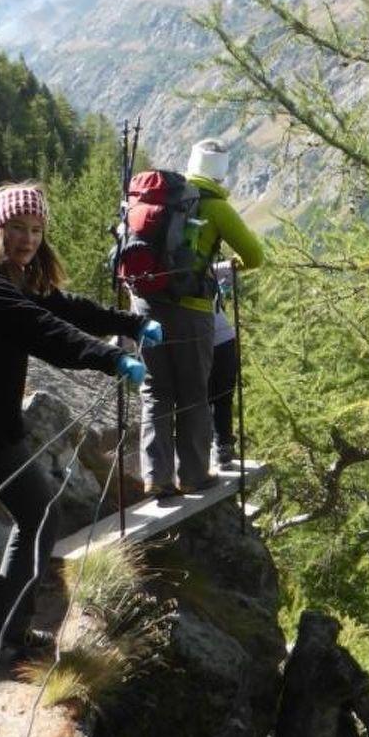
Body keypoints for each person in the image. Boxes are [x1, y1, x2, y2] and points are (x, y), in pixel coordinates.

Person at [0, 180, 160, 667]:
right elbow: (45, 332)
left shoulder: (14, 278)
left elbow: (62, 307)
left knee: (40, 512)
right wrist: (111, 359)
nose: (27, 239)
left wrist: (129, 324)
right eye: (17, 228)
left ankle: (6, 626)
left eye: (35, 229)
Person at [134, 139, 263, 496]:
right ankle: (193, 474)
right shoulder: (216, 207)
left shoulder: (160, 197)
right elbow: (254, 255)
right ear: (221, 172)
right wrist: (227, 264)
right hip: (192, 310)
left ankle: (155, 476)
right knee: (193, 391)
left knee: (155, 390)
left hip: (144, 305)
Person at [208, 260, 238, 468]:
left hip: (190, 343)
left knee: (199, 399)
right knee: (223, 398)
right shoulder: (200, 263)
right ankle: (224, 446)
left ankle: (211, 449)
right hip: (224, 338)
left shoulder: (145, 280)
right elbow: (233, 267)